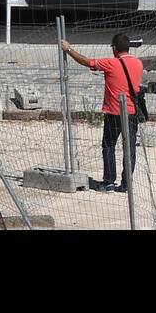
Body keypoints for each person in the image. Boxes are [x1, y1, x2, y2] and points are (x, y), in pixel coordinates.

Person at [60, 33, 144, 193]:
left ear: (114, 48)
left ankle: (109, 181)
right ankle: (126, 183)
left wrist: (68, 49)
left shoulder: (110, 63)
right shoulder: (138, 63)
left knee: (109, 145)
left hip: (114, 112)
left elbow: (86, 62)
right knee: (130, 148)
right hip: (132, 112)